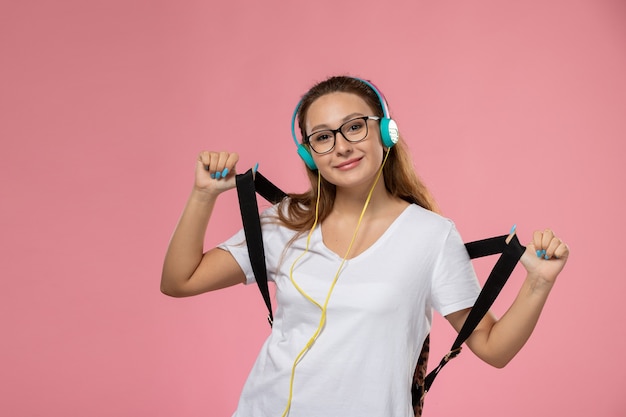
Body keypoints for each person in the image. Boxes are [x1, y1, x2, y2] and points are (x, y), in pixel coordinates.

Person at [161, 75, 569, 417]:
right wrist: (203, 195)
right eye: (322, 137)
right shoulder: (285, 222)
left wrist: (538, 283)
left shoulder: (432, 236)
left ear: (386, 131)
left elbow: (492, 347)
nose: (341, 146)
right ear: (309, 154)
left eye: (354, 126)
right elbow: (180, 280)